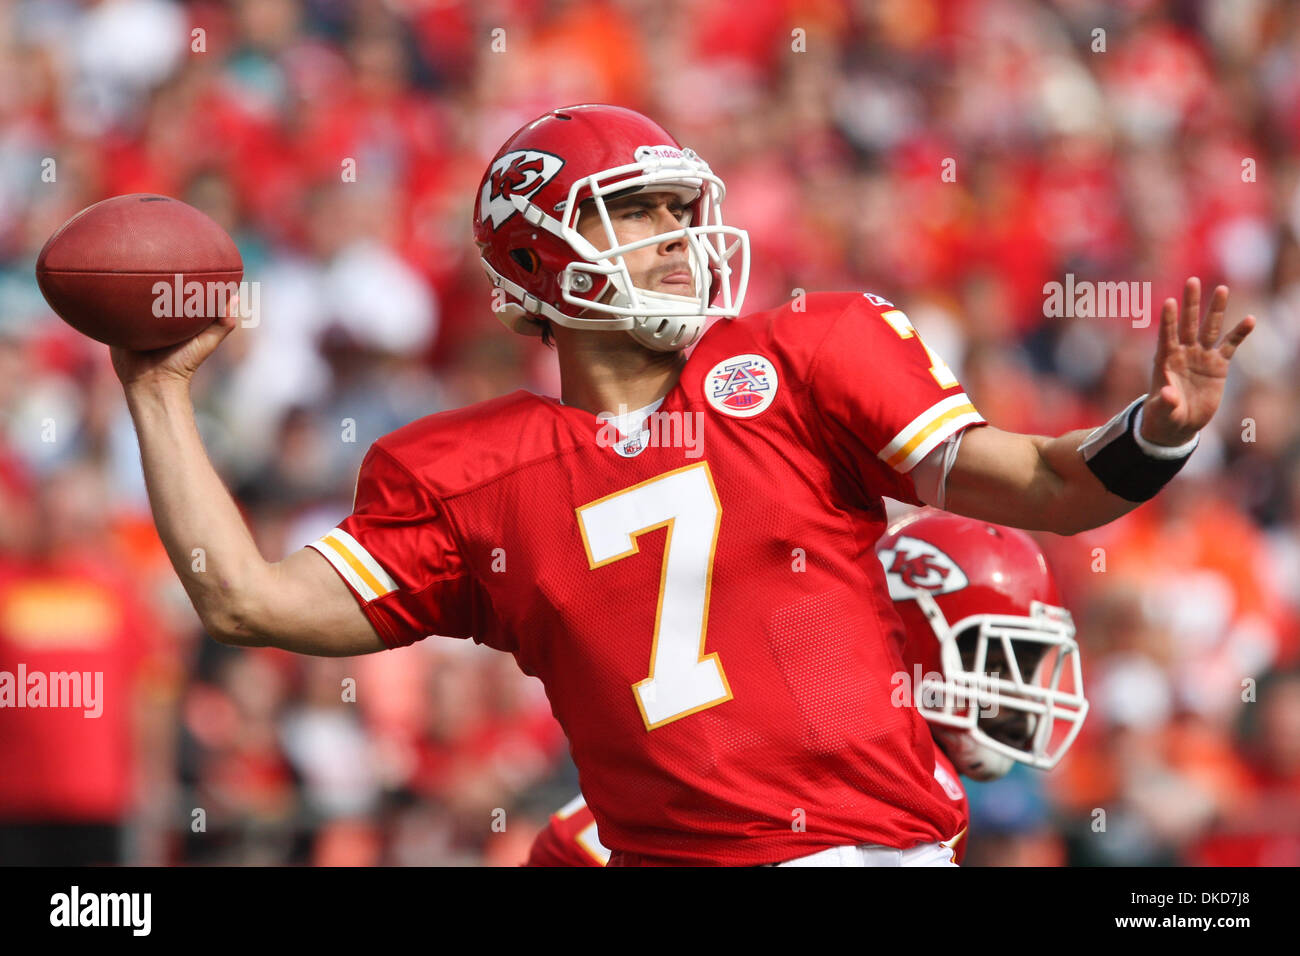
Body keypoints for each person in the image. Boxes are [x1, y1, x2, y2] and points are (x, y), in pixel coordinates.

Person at [111, 103, 1254, 866]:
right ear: (535, 253)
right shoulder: (463, 472)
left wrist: (1152, 430)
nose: (676, 233)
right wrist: (157, 393)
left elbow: (1053, 483)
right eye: (638, 209)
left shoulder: (806, 356)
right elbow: (244, 600)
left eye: (678, 207)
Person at [524, 508, 1087, 866]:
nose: (1015, 690)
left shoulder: (898, 761)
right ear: (914, 635)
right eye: (998, 661)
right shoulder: (876, 760)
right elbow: (576, 846)